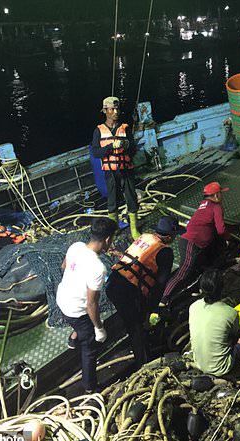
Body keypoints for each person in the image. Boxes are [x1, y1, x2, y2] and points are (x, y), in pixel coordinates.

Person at [56, 217, 118, 393]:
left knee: (77, 323)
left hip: (62, 300)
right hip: (76, 310)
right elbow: (91, 304)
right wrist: (99, 328)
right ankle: (90, 388)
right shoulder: (98, 269)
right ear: (107, 240)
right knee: (90, 348)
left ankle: (73, 338)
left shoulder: (75, 246)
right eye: (111, 239)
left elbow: (63, 266)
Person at [106, 216, 178, 368]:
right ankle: (145, 364)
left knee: (132, 319)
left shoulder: (145, 236)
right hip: (127, 290)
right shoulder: (165, 252)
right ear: (171, 236)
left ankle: (138, 332)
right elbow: (160, 285)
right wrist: (150, 310)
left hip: (113, 282)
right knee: (136, 327)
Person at [161, 182, 230, 305]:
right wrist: (227, 238)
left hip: (193, 243)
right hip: (192, 243)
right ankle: (164, 298)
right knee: (183, 272)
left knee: (202, 266)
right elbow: (221, 229)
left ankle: (201, 287)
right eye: (221, 194)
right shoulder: (216, 207)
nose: (222, 197)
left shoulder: (203, 205)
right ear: (216, 195)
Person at [188, 269, 240, 376]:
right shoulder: (230, 312)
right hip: (222, 369)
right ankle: (237, 368)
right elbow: (236, 335)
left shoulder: (194, 306)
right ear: (222, 288)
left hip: (199, 363)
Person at [91, 97, 140, 240]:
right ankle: (114, 228)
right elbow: (95, 152)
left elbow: (133, 149)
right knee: (112, 201)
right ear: (105, 111)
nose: (116, 112)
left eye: (117, 109)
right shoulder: (98, 131)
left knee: (131, 198)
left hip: (126, 169)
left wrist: (126, 145)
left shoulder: (125, 128)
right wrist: (110, 147)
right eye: (112, 109)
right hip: (110, 172)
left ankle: (134, 229)